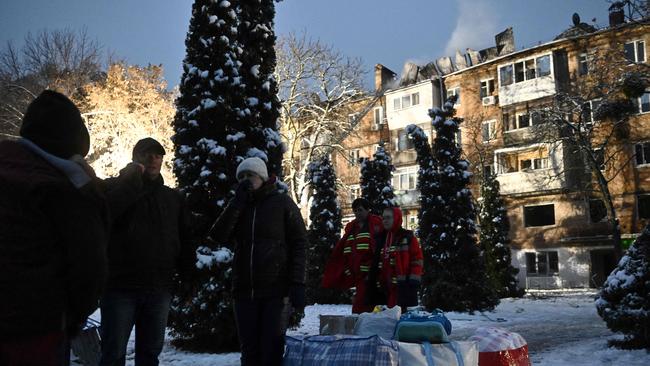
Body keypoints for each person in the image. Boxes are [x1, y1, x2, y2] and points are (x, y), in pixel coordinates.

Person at [0, 90, 109, 366]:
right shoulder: (63, 189)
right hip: (36, 328)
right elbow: (89, 264)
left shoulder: (10, 166)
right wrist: (71, 318)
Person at [99, 138, 191, 366]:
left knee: (150, 355)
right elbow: (105, 216)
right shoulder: (112, 188)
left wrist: (188, 277)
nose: (152, 159)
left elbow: (185, 239)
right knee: (113, 354)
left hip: (158, 288)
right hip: (120, 287)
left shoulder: (172, 198)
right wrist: (130, 181)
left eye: (157, 155)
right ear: (135, 158)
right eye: (146, 154)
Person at [208, 157, 307, 366]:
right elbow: (218, 235)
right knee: (249, 352)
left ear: (262, 177)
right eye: (241, 176)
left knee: (271, 351)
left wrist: (298, 282)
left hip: (276, 291)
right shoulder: (238, 205)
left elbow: (300, 243)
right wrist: (236, 204)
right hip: (244, 291)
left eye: (250, 175)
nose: (246, 180)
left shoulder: (281, 203)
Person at [322, 198, 384, 313]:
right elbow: (346, 249)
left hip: (371, 275)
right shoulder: (351, 228)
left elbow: (378, 249)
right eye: (355, 210)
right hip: (357, 275)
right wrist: (347, 269)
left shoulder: (376, 225)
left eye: (360, 210)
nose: (357, 213)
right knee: (361, 304)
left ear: (367, 210)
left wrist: (373, 269)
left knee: (366, 304)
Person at [376, 206, 423, 312]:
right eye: (383, 218)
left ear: (396, 218)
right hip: (386, 289)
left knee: (399, 318)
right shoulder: (382, 238)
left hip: (402, 287)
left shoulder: (407, 237)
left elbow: (417, 260)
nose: (385, 221)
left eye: (388, 217)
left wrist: (413, 282)